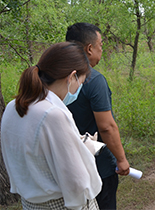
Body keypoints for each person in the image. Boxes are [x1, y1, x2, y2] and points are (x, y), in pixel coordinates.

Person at [1, 42, 102, 210]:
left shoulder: (13, 106)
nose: (79, 88)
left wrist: (77, 145)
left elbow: (34, 154)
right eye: (81, 82)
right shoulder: (53, 114)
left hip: (30, 203)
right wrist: (86, 152)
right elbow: (76, 181)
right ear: (72, 77)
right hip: (61, 204)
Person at [66, 22, 130, 210]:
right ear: (89, 48)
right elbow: (106, 127)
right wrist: (121, 159)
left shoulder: (54, 77)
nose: (102, 50)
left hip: (66, 165)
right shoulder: (94, 80)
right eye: (101, 45)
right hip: (97, 166)